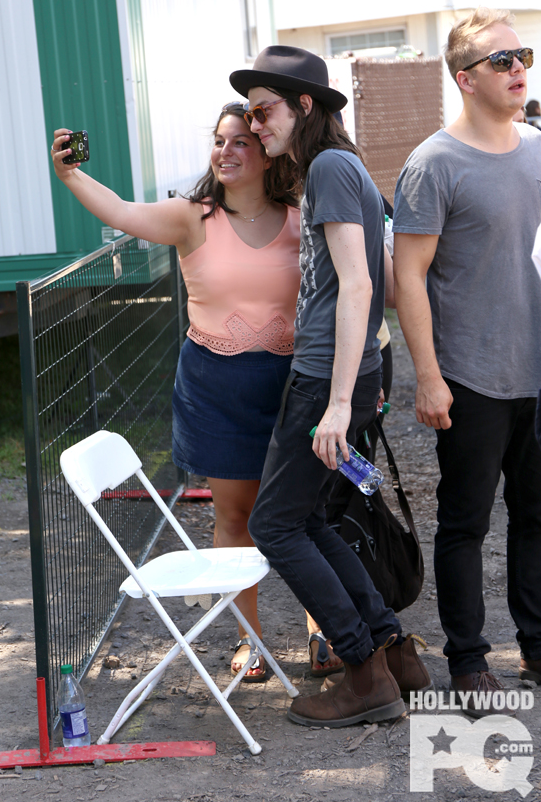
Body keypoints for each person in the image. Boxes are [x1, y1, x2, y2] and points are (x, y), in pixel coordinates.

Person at [51, 104, 303, 682]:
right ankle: (251, 642)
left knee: (309, 513)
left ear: (268, 151)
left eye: (242, 141)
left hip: (291, 387)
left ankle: (326, 634)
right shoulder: (193, 217)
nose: (227, 151)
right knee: (235, 517)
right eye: (219, 141)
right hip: (216, 388)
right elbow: (121, 211)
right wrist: (70, 175)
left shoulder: (300, 217)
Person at [229, 45, 430, 727]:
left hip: (326, 378)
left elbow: (360, 284)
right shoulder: (334, 170)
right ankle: (393, 652)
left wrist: (340, 402)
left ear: (305, 105)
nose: (254, 126)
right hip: (343, 371)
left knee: (275, 524)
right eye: (249, 113)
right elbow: (373, 270)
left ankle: (363, 671)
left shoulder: (334, 170)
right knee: (310, 516)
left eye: (264, 111)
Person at [393, 8, 541, 717]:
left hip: (538, 373)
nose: (519, 70)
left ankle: (536, 646)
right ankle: (469, 658)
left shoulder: (539, 149)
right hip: (471, 377)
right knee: (466, 521)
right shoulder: (432, 165)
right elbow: (408, 277)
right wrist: (428, 374)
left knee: (537, 515)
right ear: (465, 79)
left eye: (524, 56)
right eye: (502, 60)